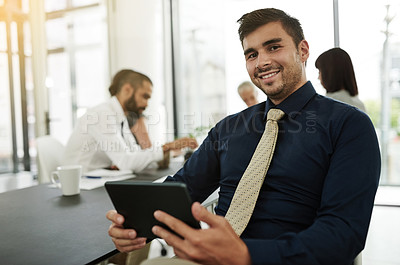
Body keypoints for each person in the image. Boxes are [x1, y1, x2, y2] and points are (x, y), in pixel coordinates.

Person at [106, 8, 381, 265]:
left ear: (303, 50)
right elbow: (182, 188)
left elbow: (344, 233)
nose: (262, 61)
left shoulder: (349, 125)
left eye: (274, 47)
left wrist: (247, 254)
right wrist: (133, 223)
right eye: (251, 54)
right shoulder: (228, 129)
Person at [63, 69, 198, 173]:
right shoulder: (101, 114)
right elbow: (126, 162)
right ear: (127, 90)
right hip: (81, 185)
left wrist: (165, 155)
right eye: (144, 96)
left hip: (98, 181)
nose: (146, 104)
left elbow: (134, 155)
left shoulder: (121, 118)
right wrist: (167, 146)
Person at [315, 47, 366, 112]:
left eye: (319, 72)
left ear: (329, 73)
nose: (318, 78)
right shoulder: (359, 104)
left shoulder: (327, 104)